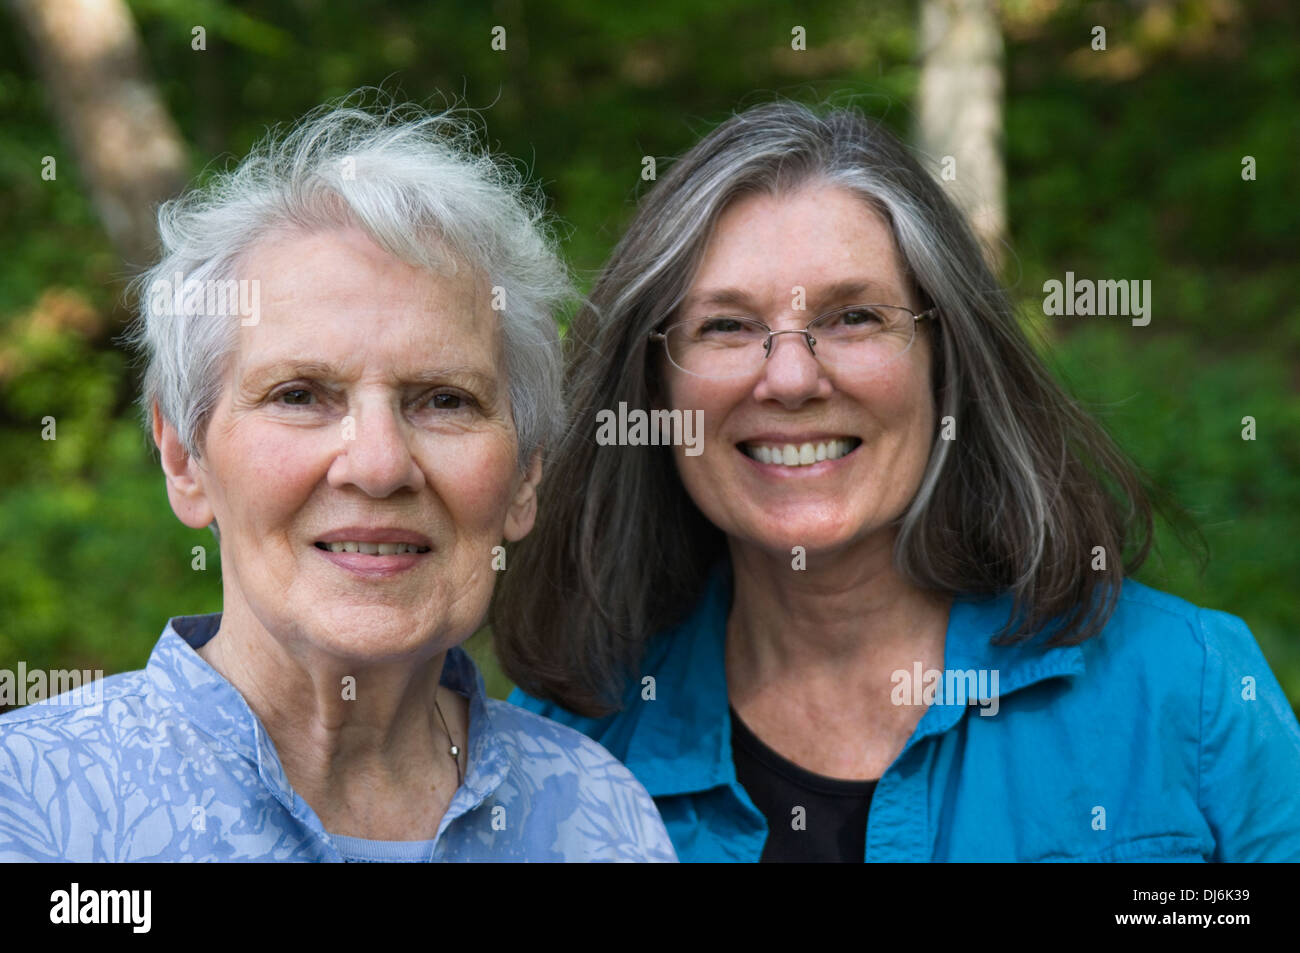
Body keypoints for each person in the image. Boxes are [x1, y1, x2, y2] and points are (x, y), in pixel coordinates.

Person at [498, 100, 1300, 862]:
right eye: (728, 325)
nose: (789, 378)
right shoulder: (562, 757)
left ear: (945, 363)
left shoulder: (1188, 692)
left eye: (853, 317)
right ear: (653, 386)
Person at [0, 96, 675, 863]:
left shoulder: (598, 814)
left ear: (525, 475)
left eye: (445, 399)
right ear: (185, 458)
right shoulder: (32, 808)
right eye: (300, 396)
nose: (380, 464)